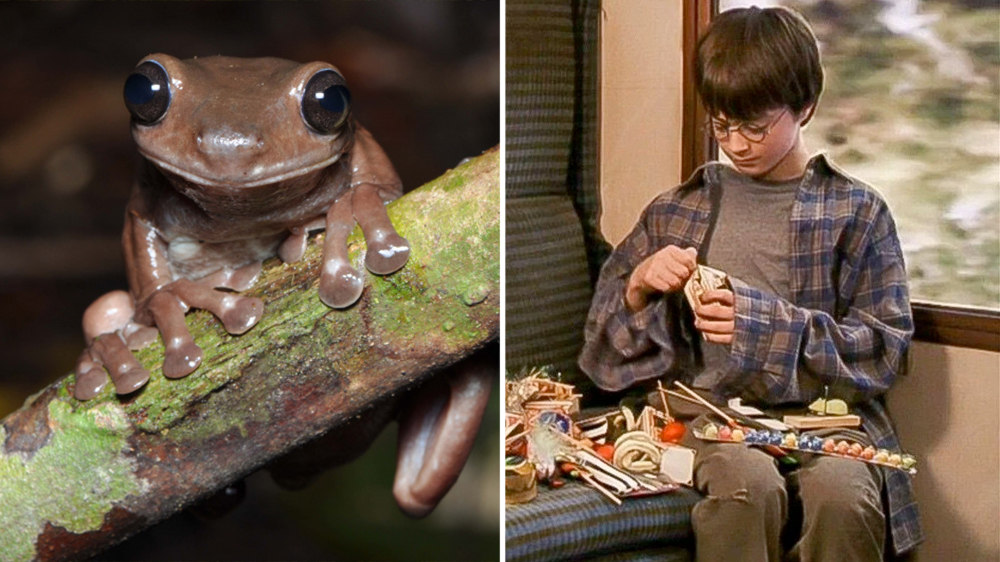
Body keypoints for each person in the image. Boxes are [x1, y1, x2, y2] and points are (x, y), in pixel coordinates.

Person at [579, 6, 922, 562]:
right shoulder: (677, 210)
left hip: (824, 415)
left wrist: (763, 324)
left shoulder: (856, 211)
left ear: (805, 106)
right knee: (747, 488)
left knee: (845, 496)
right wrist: (639, 285)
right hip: (709, 415)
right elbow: (600, 361)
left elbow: (884, 351)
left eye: (755, 126)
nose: (736, 143)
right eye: (721, 125)